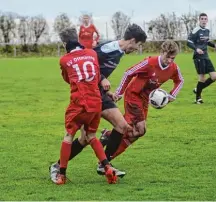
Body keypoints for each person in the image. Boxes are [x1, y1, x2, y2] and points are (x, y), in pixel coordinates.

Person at [49, 24, 147, 181]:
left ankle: (104, 164)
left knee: (120, 127)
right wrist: (102, 79)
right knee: (86, 138)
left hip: (100, 93)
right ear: (133, 41)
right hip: (89, 94)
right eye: (138, 45)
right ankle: (58, 166)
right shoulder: (108, 48)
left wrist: (107, 91)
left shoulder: (120, 52)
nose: (137, 48)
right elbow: (85, 61)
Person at [100, 40, 184, 168]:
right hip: (133, 96)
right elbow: (128, 73)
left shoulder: (173, 68)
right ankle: (106, 161)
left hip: (144, 101)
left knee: (135, 132)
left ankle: (109, 138)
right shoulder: (149, 63)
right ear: (162, 52)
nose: (170, 61)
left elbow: (180, 80)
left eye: (173, 58)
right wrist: (119, 92)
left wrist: (172, 95)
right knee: (139, 129)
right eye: (168, 57)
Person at [53, 28, 117, 185]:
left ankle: (61, 175)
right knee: (91, 136)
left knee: (69, 136)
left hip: (79, 103)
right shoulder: (92, 54)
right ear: (79, 41)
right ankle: (107, 168)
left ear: (65, 45)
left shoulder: (64, 60)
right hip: (96, 102)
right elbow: (95, 75)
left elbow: (68, 79)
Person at [187, 13, 216, 104]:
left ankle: (198, 89)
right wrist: (196, 49)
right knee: (202, 77)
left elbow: (207, 41)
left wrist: (215, 45)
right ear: (199, 20)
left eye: (205, 19)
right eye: (202, 18)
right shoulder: (196, 30)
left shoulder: (207, 30)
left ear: (207, 20)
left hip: (206, 56)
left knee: (214, 77)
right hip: (198, 57)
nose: (203, 20)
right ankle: (198, 98)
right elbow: (189, 42)